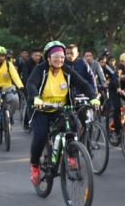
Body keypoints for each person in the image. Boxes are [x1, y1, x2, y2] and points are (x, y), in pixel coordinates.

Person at [26, 41, 96, 186]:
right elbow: (31, 84)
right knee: (41, 135)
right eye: (56, 57)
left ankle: (71, 155)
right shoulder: (40, 70)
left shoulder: (67, 70)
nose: (60, 60)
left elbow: (83, 83)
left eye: (62, 57)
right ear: (48, 58)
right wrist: (35, 98)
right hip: (41, 109)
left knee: (75, 126)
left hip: (61, 109)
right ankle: (35, 166)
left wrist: (93, 97)